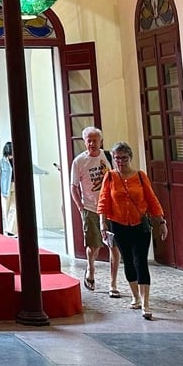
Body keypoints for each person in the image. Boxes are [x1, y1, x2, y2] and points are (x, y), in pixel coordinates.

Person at [98, 142, 168, 320]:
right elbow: (104, 201)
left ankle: (146, 303)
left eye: (124, 158)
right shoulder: (110, 177)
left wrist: (161, 221)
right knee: (128, 261)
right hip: (119, 225)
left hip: (140, 225)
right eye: (116, 158)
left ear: (130, 158)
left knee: (140, 261)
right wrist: (103, 224)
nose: (120, 161)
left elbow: (151, 199)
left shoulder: (140, 176)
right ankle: (135, 296)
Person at [69, 126, 121, 296]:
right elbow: (74, 186)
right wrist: (80, 207)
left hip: (111, 208)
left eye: (94, 140)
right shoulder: (79, 162)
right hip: (91, 208)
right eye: (88, 140)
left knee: (114, 246)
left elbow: (118, 178)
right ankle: (90, 268)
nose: (91, 143)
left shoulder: (108, 157)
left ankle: (113, 284)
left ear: (101, 141)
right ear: (84, 142)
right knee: (94, 245)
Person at [0, 142, 18, 237]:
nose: (11, 156)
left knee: (14, 208)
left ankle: (11, 230)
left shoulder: (18, 160)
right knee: (5, 209)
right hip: (5, 187)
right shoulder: (2, 161)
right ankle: (7, 229)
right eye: (9, 154)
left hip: (15, 185)